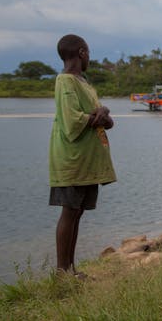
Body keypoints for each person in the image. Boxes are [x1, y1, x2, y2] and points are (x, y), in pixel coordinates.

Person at [49, 34, 116, 278]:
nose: (89, 57)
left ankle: (71, 270)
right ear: (81, 52)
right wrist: (99, 115)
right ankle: (62, 272)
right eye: (88, 52)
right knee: (69, 211)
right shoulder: (65, 81)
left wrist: (103, 114)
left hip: (87, 161)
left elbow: (104, 121)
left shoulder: (84, 83)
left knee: (77, 213)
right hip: (72, 160)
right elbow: (72, 120)